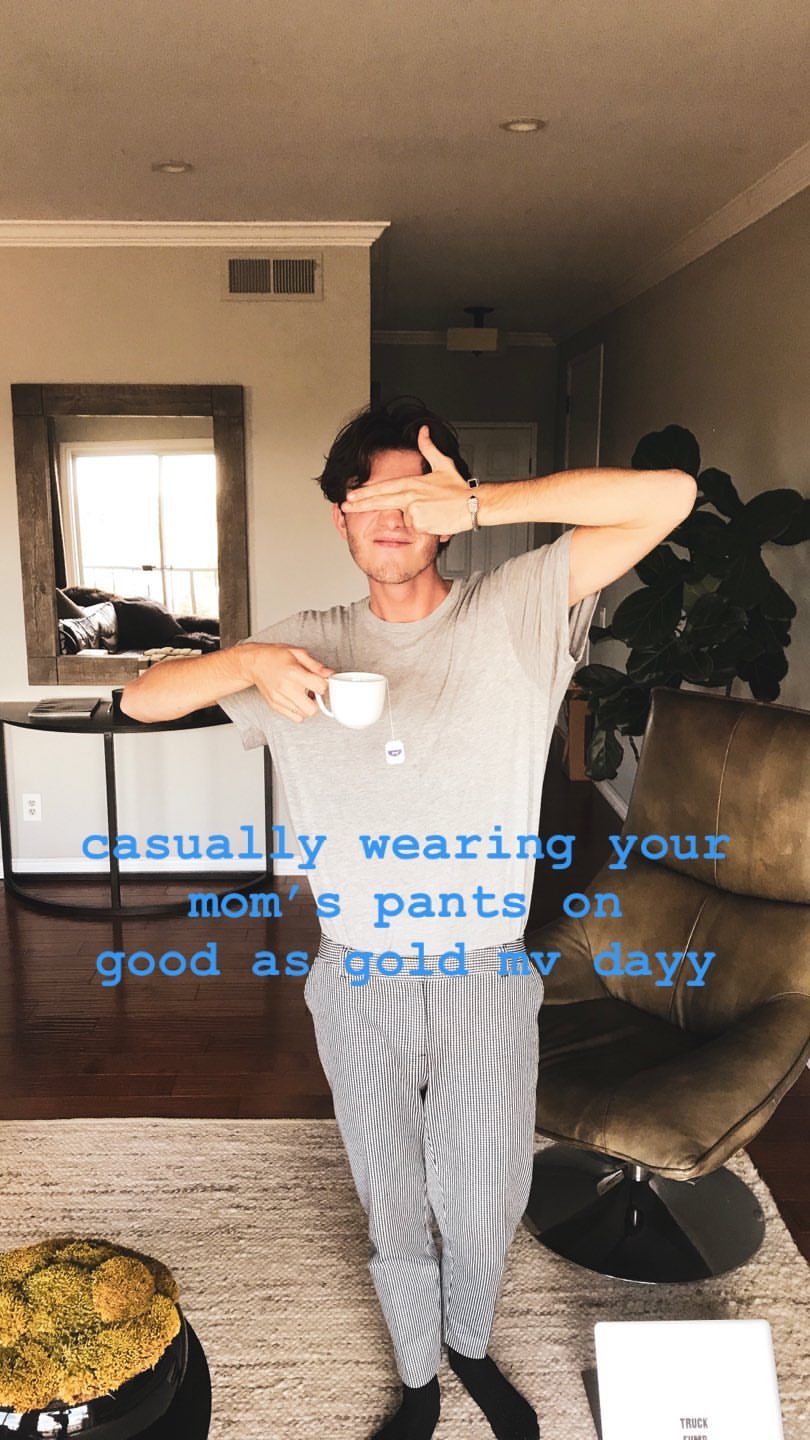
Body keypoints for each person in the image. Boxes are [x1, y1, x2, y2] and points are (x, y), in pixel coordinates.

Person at [120, 397, 697, 1439]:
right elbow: (141, 700)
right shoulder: (301, 645)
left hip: (483, 969)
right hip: (357, 974)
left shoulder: (517, 606)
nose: (391, 518)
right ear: (339, 519)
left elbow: (669, 497)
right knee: (390, 1189)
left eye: (412, 497)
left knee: (483, 1192)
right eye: (367, 499)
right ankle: (419, 1374)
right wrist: (245, 663)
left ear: (442, 509)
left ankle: (470, 1344)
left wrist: (479, 505)